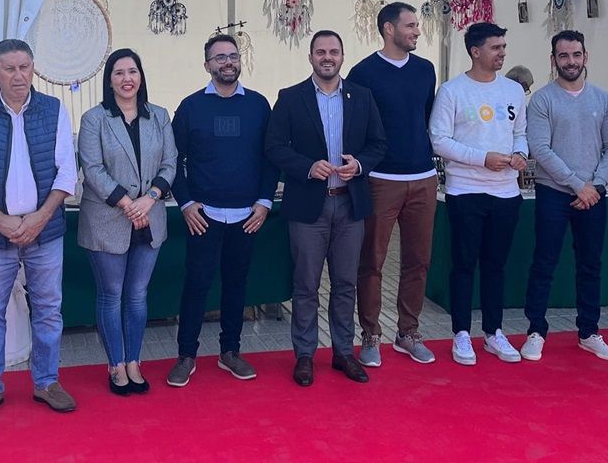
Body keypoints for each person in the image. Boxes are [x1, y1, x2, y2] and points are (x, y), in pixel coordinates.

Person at [0, 39, 79, 421]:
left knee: (48, 310)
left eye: (24, 66)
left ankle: (46, 382)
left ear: (33, 68)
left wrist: (40, 217)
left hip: (45, 229)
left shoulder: (54, 110)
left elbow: (67, 172)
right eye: (9, 68)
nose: (18, 75)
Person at [266, 31, 387, 386]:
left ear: (343, 56)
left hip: (350, 205)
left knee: (346, 283)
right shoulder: (290, 98)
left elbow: (379, 143)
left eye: (333, 51)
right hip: (309, 207)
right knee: (305, 285)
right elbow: (273, 146)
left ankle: (343, 353)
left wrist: (360, 165)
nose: (327, 57)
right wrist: (306, 166)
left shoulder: (362, 97)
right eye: (321, 52)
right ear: (310, 57)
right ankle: (304, 355)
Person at [166, 34, 276, 387]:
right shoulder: (190, 107)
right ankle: (186, 356)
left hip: (247, 215)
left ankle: (230, 352)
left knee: (236, 285)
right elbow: (173, 161)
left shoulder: (259, 105)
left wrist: (264, 201)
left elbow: (270, 158)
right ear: (207, 65)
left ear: (240, 61)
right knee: (195, 285)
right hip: (204, 216)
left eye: (232, 56)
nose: (227, 62)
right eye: (219, 57)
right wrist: (185, 203)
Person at [77, 49, 177, 395]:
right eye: (118, 73)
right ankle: (116, 364)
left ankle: (134, 361)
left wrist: (148, 199)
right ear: (110, 81)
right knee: (111, 294)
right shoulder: (94, 119)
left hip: (150, 217)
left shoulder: (159, 117)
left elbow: (170, 164)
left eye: (132, 71)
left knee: (137, 295)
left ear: (141, 76)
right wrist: (127, 204)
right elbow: (92, 169)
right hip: (107, 219)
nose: (126, 79)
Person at [430, 21, 528, 366]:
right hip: (466, 190)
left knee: (495, 265)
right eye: (495, 47)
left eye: (503, 46)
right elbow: (439, 140)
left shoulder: (514, 91)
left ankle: (493, 332)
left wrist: (521, 155)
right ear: (475, 51)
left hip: (506, 194)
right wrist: (481, 159)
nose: (502, 53)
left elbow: (520, 133)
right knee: (464, 264)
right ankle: (460, 333)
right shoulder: (453, 92)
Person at [347, 1, 439, 367]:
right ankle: (370, 335)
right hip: (380, 180)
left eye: (417, 25)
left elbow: (425, 118)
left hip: (423, 177)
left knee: (418, 260)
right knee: (371, 260)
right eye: (411, 25)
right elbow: (355, 126)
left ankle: (408, 333)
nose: (417, 31)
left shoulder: (425, 70)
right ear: (389, 29)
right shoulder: (363, 73)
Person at [520, 31, 608, 362]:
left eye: (576, 54)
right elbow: (540, 148)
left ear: (585, 56)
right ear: (553, 60)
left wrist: (597, 185)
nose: (571, 61)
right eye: (563, 56)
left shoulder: (603, 100)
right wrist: (578, 185)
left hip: (594, 194)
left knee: (591, 264)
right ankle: (536, 330)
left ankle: (589, 332)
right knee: (544, 262)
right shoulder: (542, 100)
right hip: (554, 193)